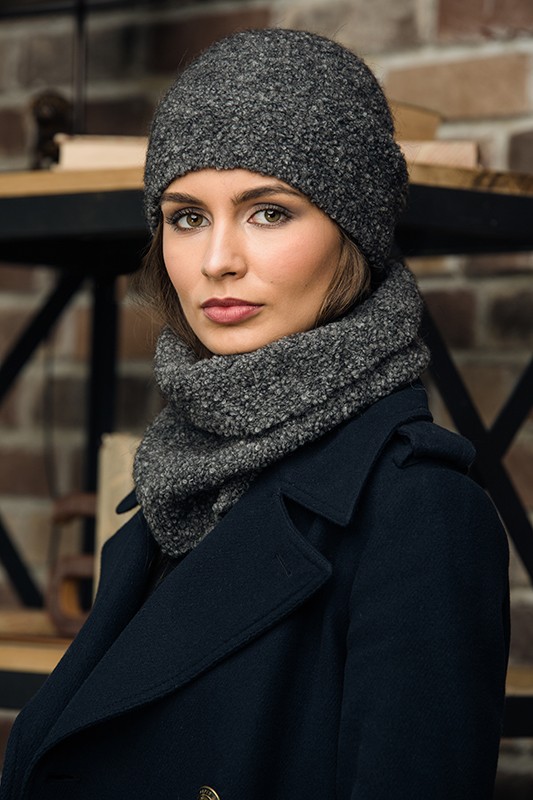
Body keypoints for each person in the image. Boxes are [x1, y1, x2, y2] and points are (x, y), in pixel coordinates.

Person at [0, 28, 509, 800]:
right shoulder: (174, 485)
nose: (216, 261)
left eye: (268, 212)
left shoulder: (417, 512)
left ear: (354, 230)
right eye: (186, 217)